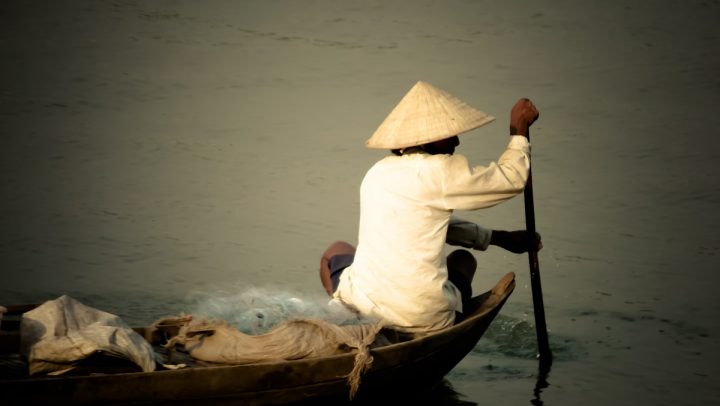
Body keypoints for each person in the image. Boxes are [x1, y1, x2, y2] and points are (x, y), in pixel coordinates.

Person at [320, 81, 540, 333]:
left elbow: (425, 224)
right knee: (464, 260)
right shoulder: (439, 171)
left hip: (363, 302)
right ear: (430, 139)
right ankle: (428, 322)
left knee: (335, 251)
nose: (457, 141)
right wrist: (518, 130)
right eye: (450, 134)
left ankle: (341, 309)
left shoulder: (376, 173)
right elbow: (511, 180)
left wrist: (499, 238)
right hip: (418, 315)